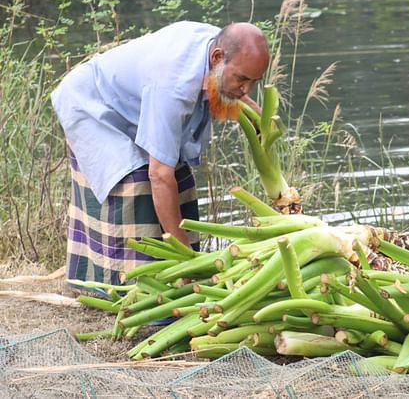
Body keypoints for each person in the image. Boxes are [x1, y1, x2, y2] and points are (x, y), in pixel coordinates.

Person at [52, 21, 269, 289]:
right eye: (242, 80)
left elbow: (226, 80)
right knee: (136, 182)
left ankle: (177, 275)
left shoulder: (221, 47)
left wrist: (257, 114)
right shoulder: (173, 84)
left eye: (254, 81)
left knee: (181, 177)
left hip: (132, 102)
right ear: (217, 58)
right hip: (90, 103)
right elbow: (158, 175)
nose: (246, 89)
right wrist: (186, 259)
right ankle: (120, 286)